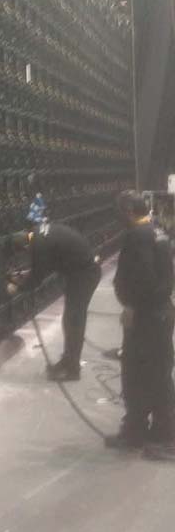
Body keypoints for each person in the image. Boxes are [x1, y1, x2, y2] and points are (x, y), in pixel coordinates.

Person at [106, 190, 175, 453]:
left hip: (146, 315)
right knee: (158, 372)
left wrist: (132, 306)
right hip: (161, 312)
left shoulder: (136, 235)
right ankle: (161, 431)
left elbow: (144, 276)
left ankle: (137, 432)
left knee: (135, 374)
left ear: (128, 211)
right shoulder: (157, 231)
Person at [8, 222, 102, 381]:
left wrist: (17, 288)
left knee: (74, 321)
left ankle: (72, 370)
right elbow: (49, 262)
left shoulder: (39, 246)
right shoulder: (39, 232)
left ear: (25, 246)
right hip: (80, 270)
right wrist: (24, 276)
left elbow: (37, 278)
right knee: (70, 320)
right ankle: (68, 360)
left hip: (85, 275)